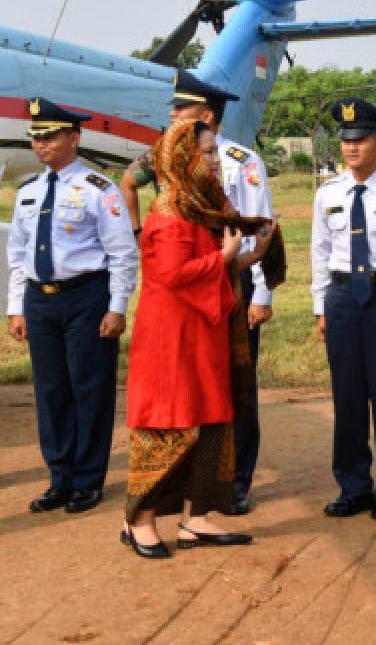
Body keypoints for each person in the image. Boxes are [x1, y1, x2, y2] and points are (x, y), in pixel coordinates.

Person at [121, 70, 276, 517]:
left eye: (180, 108)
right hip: (182, 315)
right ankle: (149, 517)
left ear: (205, 116)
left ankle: (221, 495)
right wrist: (224, 256)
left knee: (227, 397)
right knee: (179, 409)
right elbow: (172, 269)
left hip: (217, 299)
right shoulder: (171, 199)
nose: (170, 113)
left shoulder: (235, 163)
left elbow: (256, 220)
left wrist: (252, 273)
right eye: (206, 154)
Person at [7, 98, 138, 515]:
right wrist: (16, 308)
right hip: (39, 299)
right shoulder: (28, 192)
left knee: (89, 387)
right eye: (36, 138)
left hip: (86, 296)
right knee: (50, 391)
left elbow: (122, 252)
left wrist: (117, 307)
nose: (40, 145)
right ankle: (59, 478)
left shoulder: (100, 190)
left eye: (48, 137)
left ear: (73, 138)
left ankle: (87, 479)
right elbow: (18, 253)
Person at [311, 98, 376, 524]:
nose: (351, 148)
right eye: (346, 140)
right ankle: (353, 486)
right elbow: (319, 252)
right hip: (341, 297)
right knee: (347, 396)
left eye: (361, 139)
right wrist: (321, 308)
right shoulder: (327, 194)